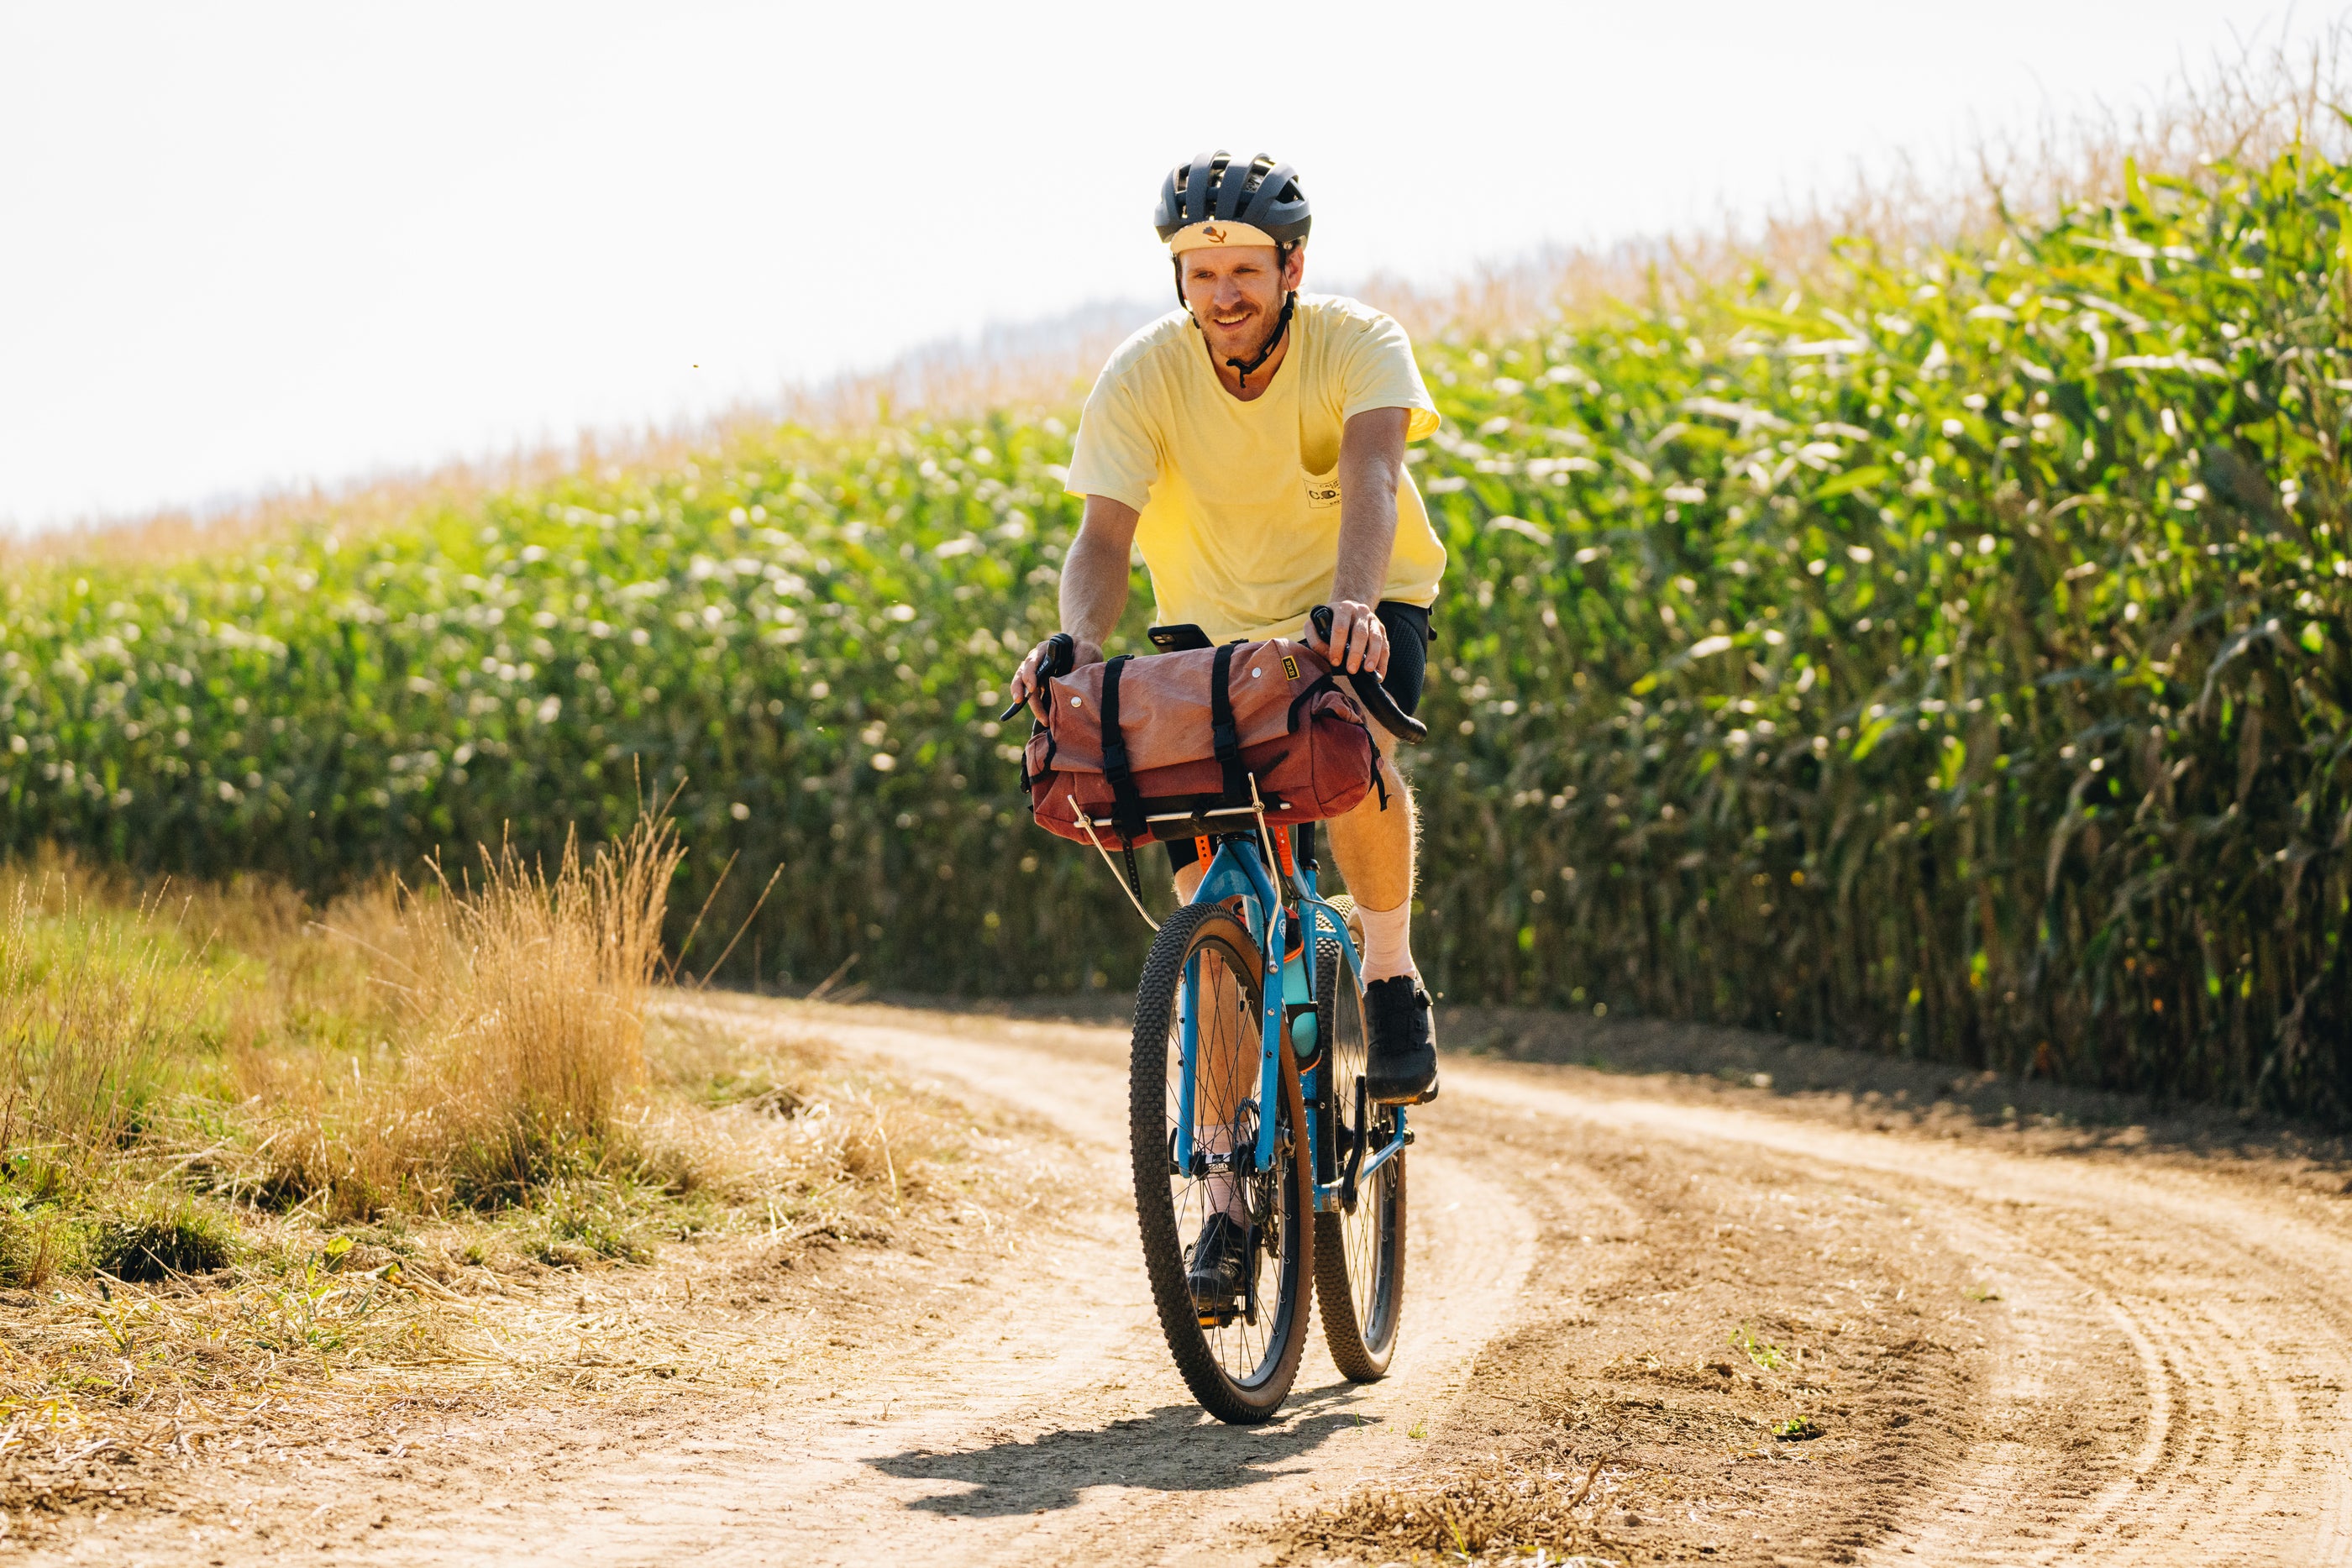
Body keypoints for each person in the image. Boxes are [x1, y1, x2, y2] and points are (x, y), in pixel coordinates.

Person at [1005, 150, 1446, 1310]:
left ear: (1292, 267)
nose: (1223, 293)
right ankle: (1223, 1207)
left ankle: (1391, 972)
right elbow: (1104, 539)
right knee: (1213, 893)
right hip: (1203, 631)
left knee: (1353, 761)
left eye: (1244, 270)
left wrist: (1354, 605)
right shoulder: (1144, 373)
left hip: (1351, 606)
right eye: (1200, 273)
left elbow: (1374, 473)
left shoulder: (1360, 343)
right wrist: (1084, 648)